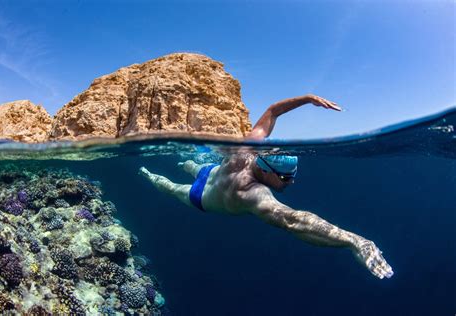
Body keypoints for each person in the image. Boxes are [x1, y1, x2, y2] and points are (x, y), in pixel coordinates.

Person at [139, 94, 394, 279]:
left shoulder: (247, 150)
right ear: (266, 170)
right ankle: (150, 175)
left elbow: (272, 111)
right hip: (202, 196)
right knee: (172, 188)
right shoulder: (253, 193)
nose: (291, 181)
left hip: (212, 174)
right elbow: (295, 221)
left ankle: (184, 164)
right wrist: (353, 240)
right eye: (285, 178)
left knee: (194, 167)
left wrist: (307, 99)